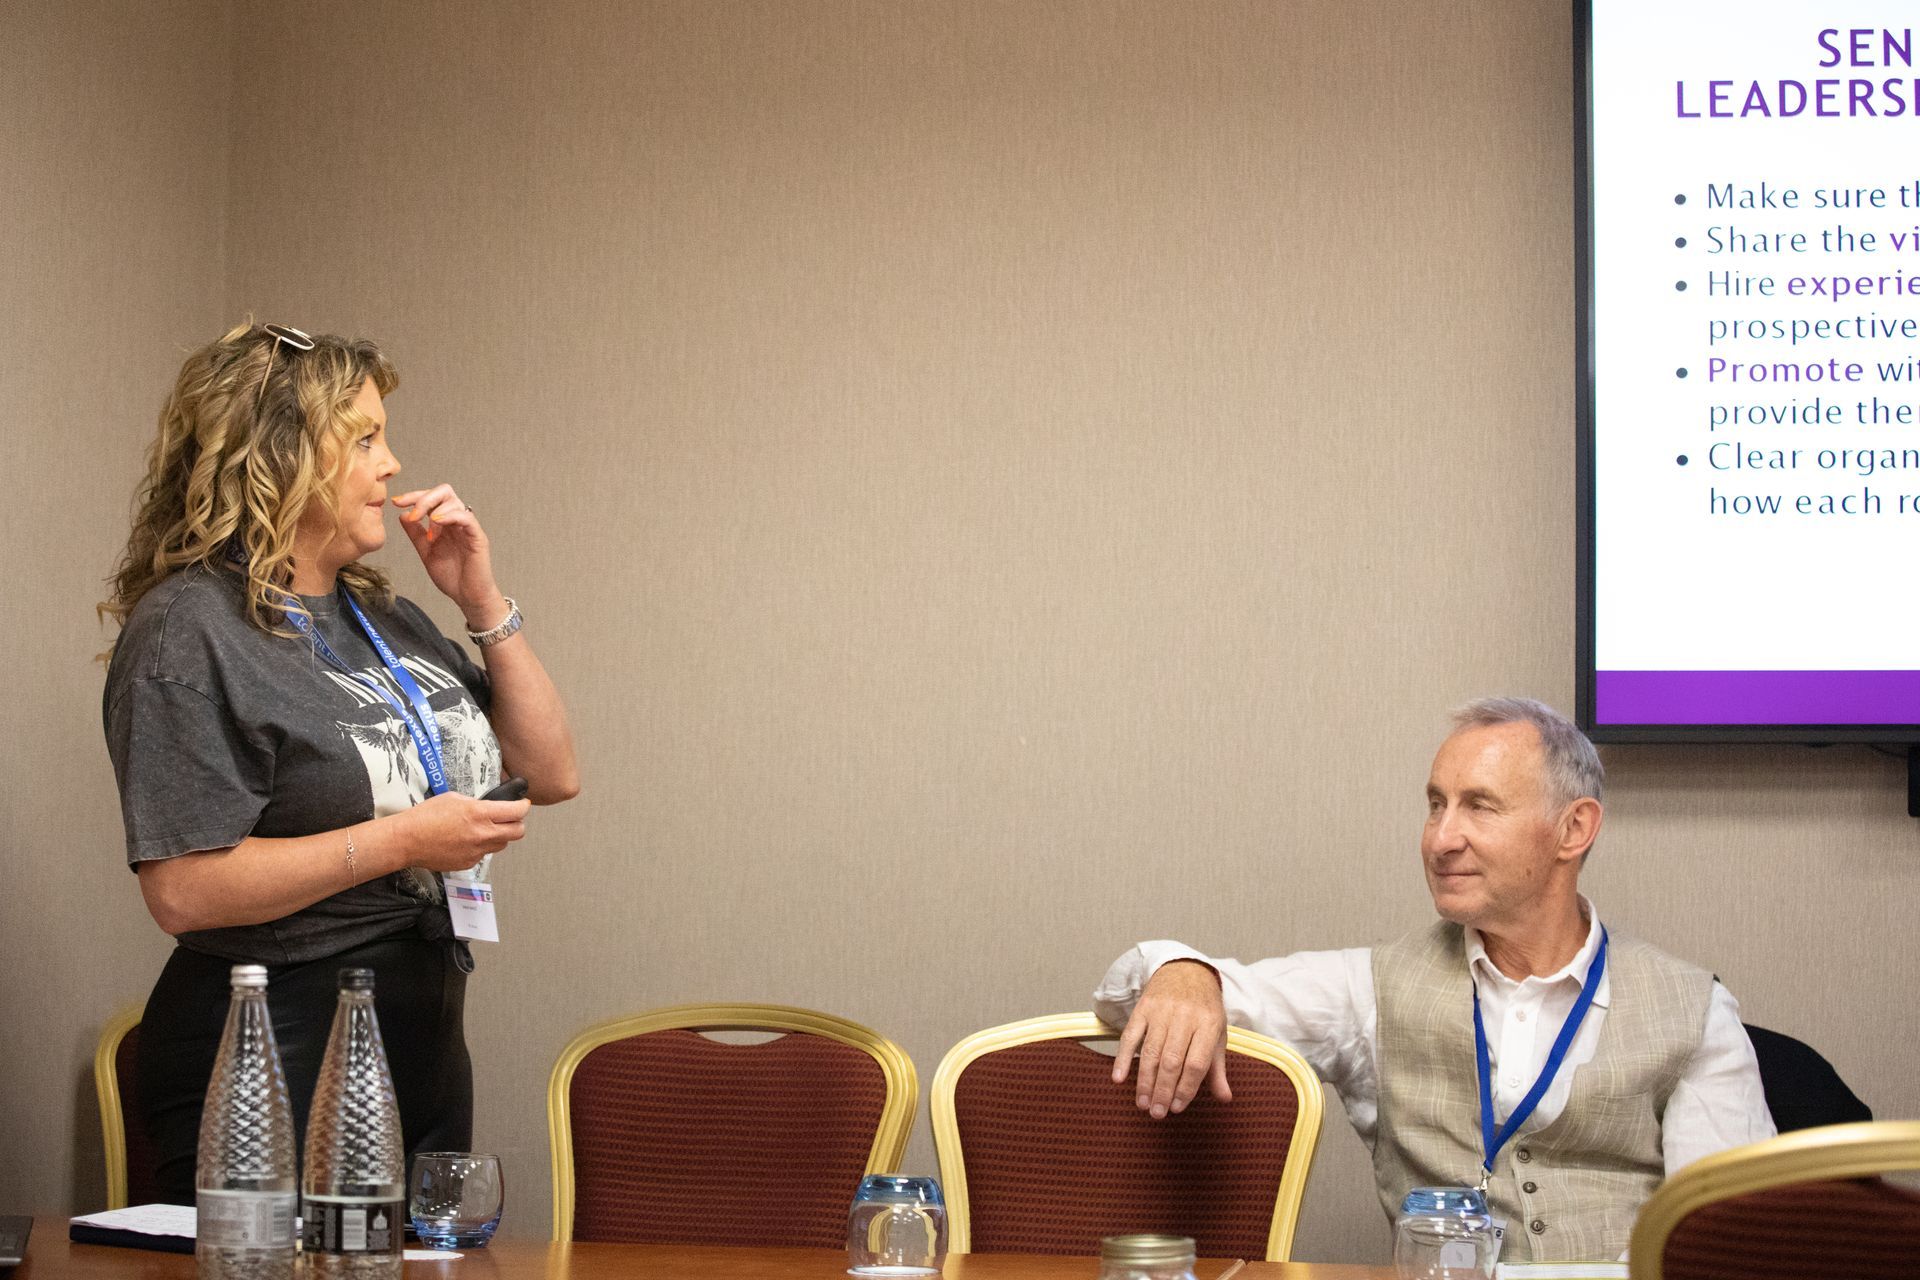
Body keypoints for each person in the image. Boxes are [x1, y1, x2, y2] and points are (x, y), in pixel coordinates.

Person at [101, 323, 580, 1202]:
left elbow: (550, 772)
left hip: (422, 1034)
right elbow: (182, 889)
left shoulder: (379, 616)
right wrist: (403, 841)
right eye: (363, 438)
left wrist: (479, 598)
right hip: (272, 1045)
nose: (392, 464)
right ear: (276, 456)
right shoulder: (189, 630)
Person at [1093, 698, 1773, 1263]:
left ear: (1573, 829)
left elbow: (1728, 1247)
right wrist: (1183, 971)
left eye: (1479, 806)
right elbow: (1135, 1000)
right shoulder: (1372, 990)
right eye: (1435, 805)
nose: (1440, 839)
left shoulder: (1693, 1010)